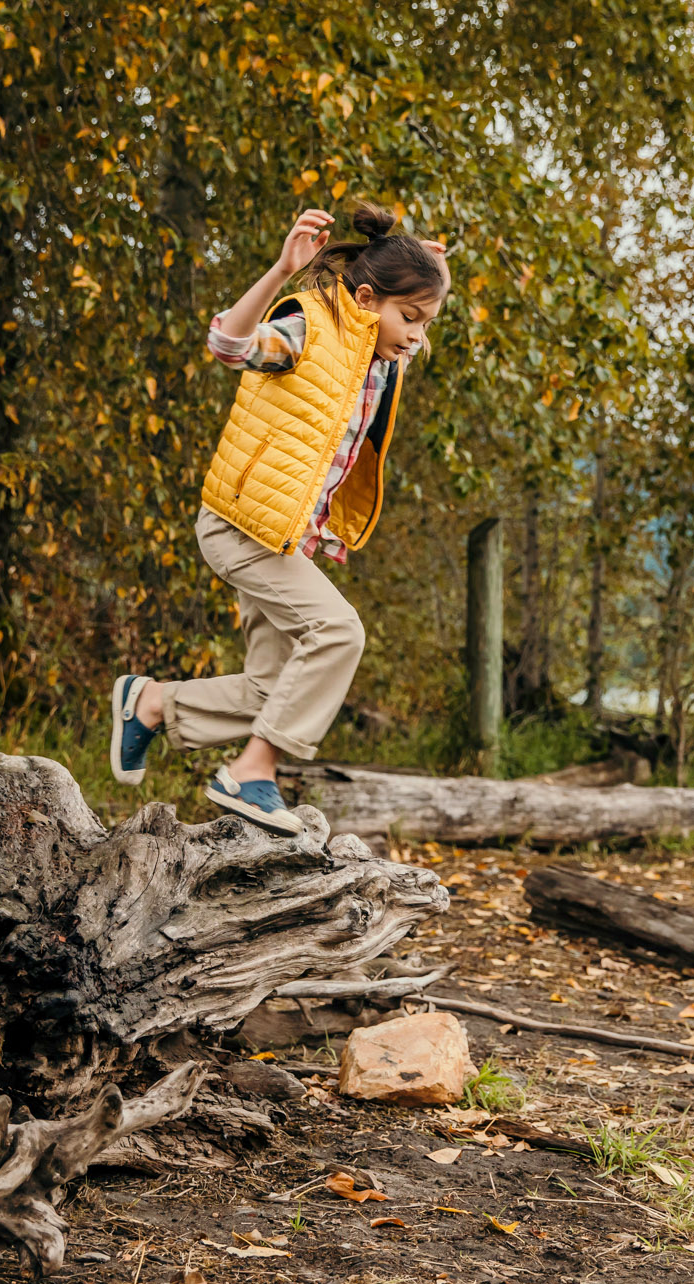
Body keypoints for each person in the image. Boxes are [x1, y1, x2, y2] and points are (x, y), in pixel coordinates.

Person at [107, 203, 449, 833]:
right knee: (339, 633)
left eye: (426, 324)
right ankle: (251, 771)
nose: (417, 337)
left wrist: (422, 270)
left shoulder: (371, 361)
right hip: (240, 526)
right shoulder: (306, 328)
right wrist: (280, 270)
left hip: (284, 537)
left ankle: (153, 703)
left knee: (272, 688)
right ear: (367, 300)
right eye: (411, 318)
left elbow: (387, 328)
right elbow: (229, 344)